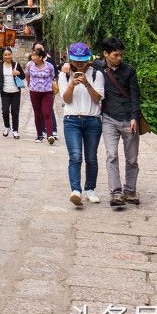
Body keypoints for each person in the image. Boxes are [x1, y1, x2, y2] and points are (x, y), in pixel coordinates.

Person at [58, 42, 104, 207]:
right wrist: (72, 83)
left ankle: (90, 189)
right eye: (77, 60)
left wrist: (86, 83)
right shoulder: (64, 75)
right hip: (72, 120)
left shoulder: (96, 75)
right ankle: (75, 190)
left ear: (88, 58)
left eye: (83, 60)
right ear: (71, 58)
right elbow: (67, 99)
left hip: (92, 120)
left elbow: (97, 99)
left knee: (91, 157)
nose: (80, 63)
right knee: (75, 156)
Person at [98, 37, 141, 207]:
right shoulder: (98, 69)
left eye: (121, 55)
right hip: (108, 118)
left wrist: (134, 117)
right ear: (106, 54)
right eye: (115, 55)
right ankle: (115, 192)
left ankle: (130, 190)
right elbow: (78, 65)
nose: (119, 58)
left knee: (132, 158)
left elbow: (135, 95)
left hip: (128, 119)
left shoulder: (129, 71)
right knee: (111, 155)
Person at [25, 47, 58, 144]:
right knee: (37, 113)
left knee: (47, 113)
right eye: (32, 55)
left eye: (35, 55)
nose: (33, 57)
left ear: (40, 57)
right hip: (34, 92)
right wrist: (30, 84)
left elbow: (52, 76)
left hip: (47, 92)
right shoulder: (29, 65)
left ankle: (50, 135)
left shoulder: (49, 66)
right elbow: (27, 75)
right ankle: (39, 135)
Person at [0, 48, 25, 138]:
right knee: (5, 111)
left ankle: (15, 130)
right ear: (3, 56)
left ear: (11, 55)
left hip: (15, 92)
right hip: (5, 92)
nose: (7, 56)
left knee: (15, 112)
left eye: (9, 54)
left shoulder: (16, 65)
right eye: (5, 55)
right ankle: (7, 127)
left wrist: (18, 73)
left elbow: (23, 76)